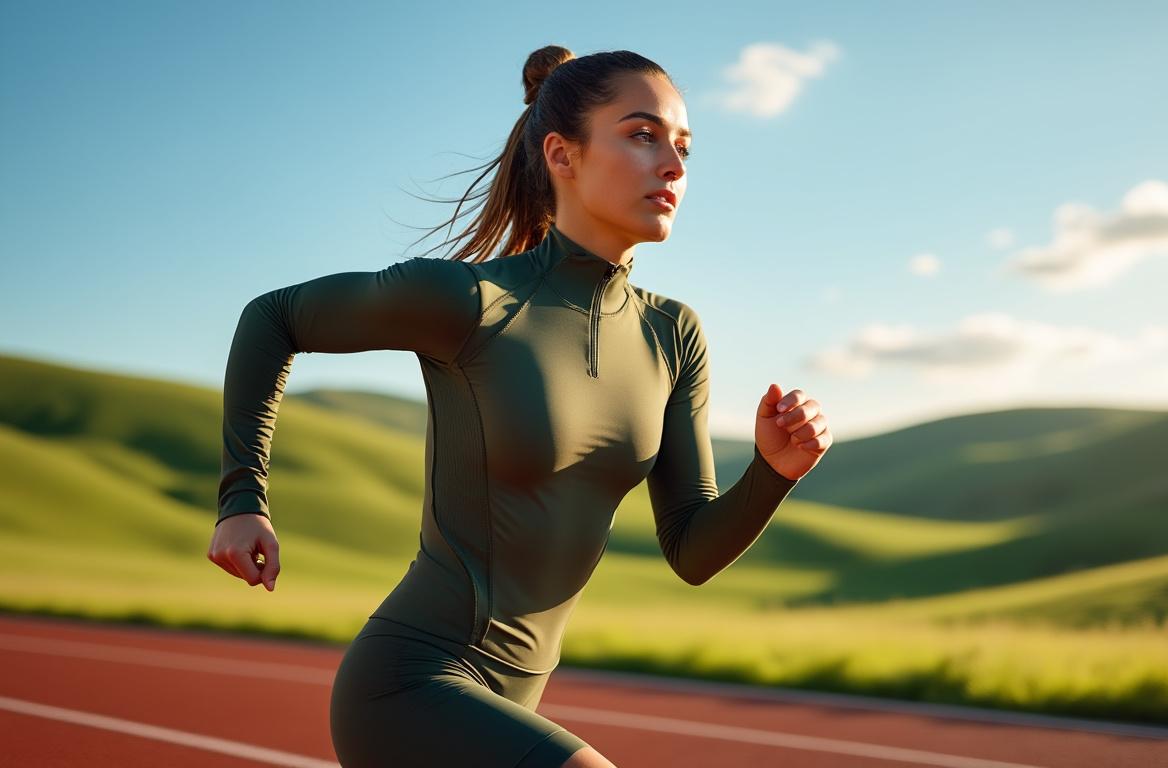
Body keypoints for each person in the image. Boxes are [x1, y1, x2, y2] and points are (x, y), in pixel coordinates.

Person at [206, 45, 832, 768]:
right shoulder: (474, 302)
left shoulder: (673, 334)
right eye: (641, 134)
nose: (673, 165)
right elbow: (273, 317)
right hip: (412, 688)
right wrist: (241, 499)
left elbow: (692, 550)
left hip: (514, 702)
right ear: (562, 155)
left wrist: (774, 472)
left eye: (683, 146)